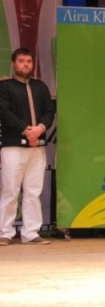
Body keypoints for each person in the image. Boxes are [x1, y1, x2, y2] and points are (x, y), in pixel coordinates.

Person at [0, 47, 55, 246]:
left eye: (29, 61)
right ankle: (4, 233)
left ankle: (31, 233)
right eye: (22, 61)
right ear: (13, 63)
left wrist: (40, 128)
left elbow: (49, 112)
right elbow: (4, 112)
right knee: (10, 190)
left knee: (33, 191)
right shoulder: (5, 87)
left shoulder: (40, 87)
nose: (26, 65)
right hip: (13, 147)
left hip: (37, 147)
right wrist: (26, 130)